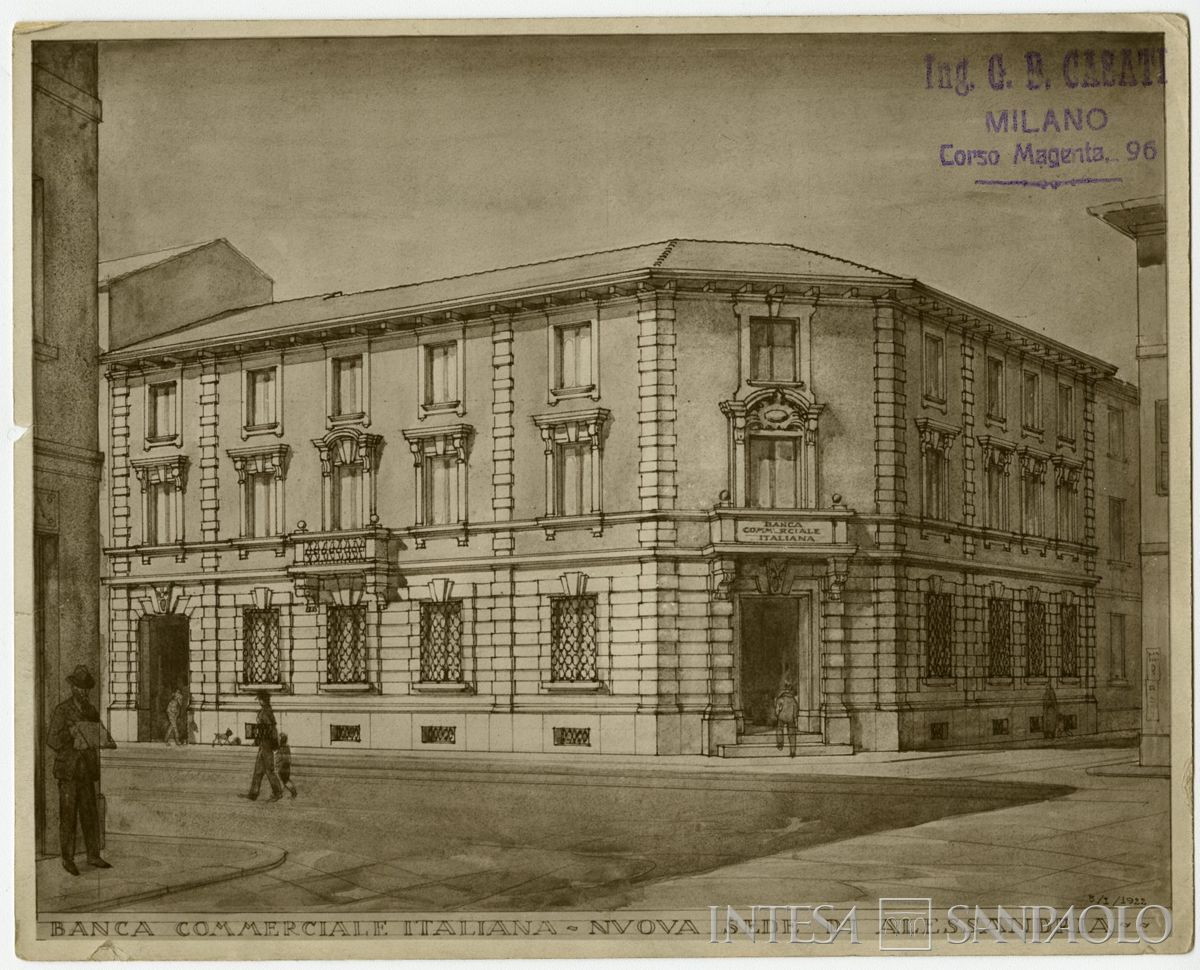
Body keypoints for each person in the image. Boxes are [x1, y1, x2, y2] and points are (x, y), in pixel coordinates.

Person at [46, 665, 113, 875]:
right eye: (80, 688)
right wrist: (70, 733)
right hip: (68, 772)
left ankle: (93, 856)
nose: (83, 692)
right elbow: (52, 740)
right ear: (73, 687)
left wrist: (103, 738)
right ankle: (68, 859)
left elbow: (99, 734)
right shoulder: (62, 710)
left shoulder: (91, 711)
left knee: (90, 814)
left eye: (86, 689)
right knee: (68, 816)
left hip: (87, 771)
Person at [239, 691, 283, 802]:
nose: (259, 701)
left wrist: (273, 743)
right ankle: (253, 794)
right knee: (258, 770)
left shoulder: (266, 712)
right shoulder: (265, 711)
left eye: (259, 699)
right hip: (264, 744)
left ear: (263, 700)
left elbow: (270, 729)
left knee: (269, 770)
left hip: (266, 744)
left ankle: (277, 792)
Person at [774, 678, 800, 757]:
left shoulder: (780, 699)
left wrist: (777, 714)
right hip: (791, 718)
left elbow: (777, 709)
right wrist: (795, 718)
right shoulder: (793, 700)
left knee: (779, 729)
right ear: (790, 689)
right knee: (792, 734)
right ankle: (792, 751)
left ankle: (780, 743)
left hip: (782, 717)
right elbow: (796, 710)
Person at [274, 733, 297, 798]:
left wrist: (276, 764)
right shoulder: (287, 747)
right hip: (287, 766)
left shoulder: (280, 748)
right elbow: (288, 758)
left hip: (281, 767)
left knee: (281, 780)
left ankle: (279, 793)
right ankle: (293, 792)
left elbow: (278, 758)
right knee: (286, 780)